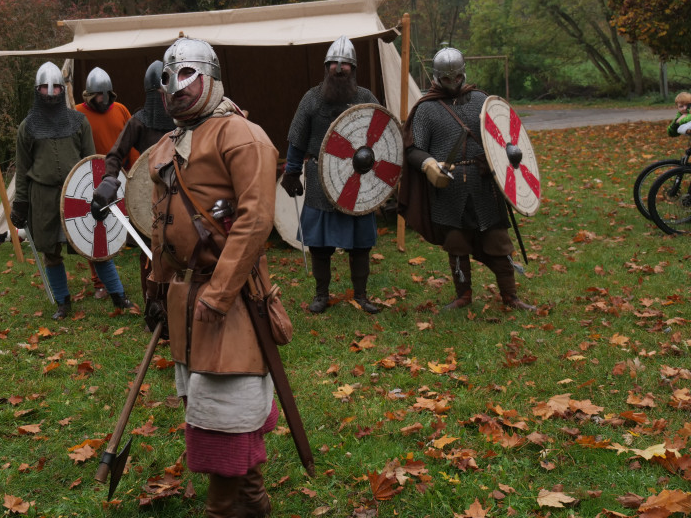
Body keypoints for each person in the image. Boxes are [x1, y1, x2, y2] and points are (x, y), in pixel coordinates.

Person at [144, 37, 280, 518]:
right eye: (168, 78)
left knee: (227, 417)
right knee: (208, 410)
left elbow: (256, 220)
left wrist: (219, 295)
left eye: (186, 76)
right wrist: (158, 289)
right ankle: (255, 506)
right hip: (187, 301)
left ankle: (223, 512)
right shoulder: (169, 142)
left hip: (233, 299)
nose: (175, 88)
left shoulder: (241, 135)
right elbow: (161, 225)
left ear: (211, 76)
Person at [399, 47, 536, 312]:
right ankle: (463, 295)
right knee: (456, 242)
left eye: (457, 77)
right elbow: (413, 148)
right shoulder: (426, 109)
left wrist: (501, 159)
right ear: (437, 77)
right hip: (449, 186)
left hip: (485, 183)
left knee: (498, 240)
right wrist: (429, 165)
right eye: (447, 79)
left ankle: (510, 295)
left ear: (464, 73)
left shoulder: (482, 102)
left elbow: (507, 136)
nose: (453, 83)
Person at [9, 62, 134, 320]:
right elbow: (23, 169)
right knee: (51, 251)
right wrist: (21, 203)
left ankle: (118, 296)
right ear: (37, 89)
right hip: (42, 197)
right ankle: (63, 302)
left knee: (94, 245)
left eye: (55, 87)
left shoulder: (79, 123)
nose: (51, 92)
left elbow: (92, 163)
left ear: (62, 90)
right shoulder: (27, 127)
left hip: (78, 193)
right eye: (45, 87)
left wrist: (98, 194)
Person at [280, 36, 382, 315]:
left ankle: (360, 295)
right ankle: (321, 294)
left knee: (360, 244)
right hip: (320, 177)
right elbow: (297, 140)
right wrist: (291, 172)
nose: (339, 68)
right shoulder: (312, 99)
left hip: (357, 181)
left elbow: (382, 137)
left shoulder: (365, 98)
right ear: (326, 67)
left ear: (354, 68)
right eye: (334, 63)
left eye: (345, 64)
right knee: (320, 244)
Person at [90, 60, 175, 300]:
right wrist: (109, 179)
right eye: (158, 92)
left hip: (182, 194)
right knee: (150, 252)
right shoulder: (140, 121)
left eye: (165, 91)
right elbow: (115, 154)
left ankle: (178, 301)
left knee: (180, 251)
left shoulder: (184, 118)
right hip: (151, 196)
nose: (163, 96)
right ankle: (153, 304)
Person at [76, 67, 136, 299]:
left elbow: (131, 140)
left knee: (119, 227)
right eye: (98, 95)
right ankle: (99, 282)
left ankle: (110, 275)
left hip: (119, 176)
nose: (102, 99)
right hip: (91, 180)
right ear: (90, 95)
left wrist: (132, 168)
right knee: (94, 231)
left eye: (106, 94)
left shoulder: (120, 110)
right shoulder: (78, 114)